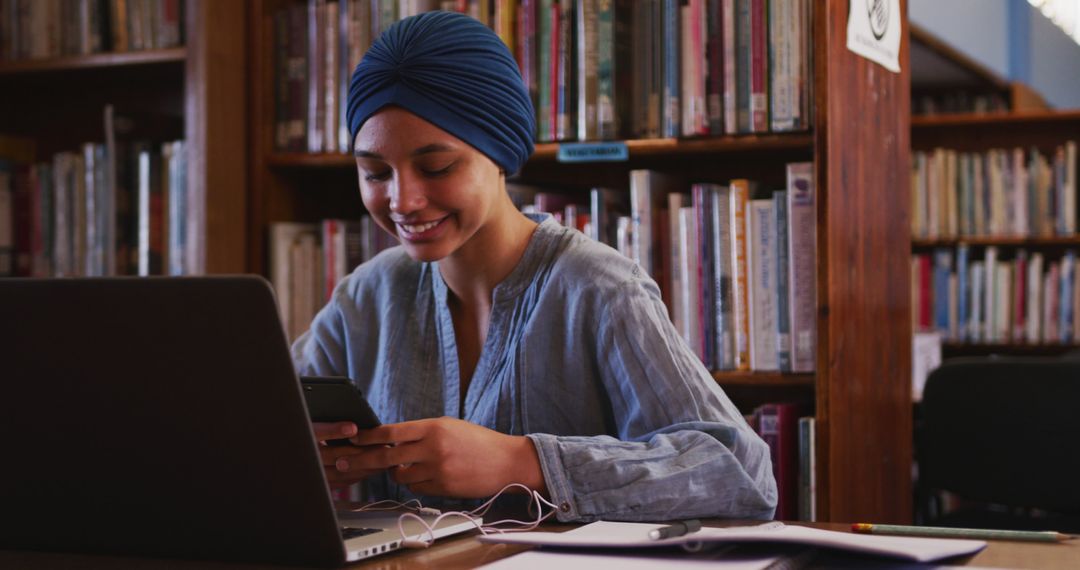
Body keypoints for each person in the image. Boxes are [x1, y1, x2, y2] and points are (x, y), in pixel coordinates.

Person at [291, 10, 776, 522]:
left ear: (498, 153)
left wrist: (524, 461)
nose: (403, 200)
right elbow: (258, 424)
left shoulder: (599, 289)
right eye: (374, 172)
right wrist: (305, 452)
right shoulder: (366, 296)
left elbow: (743, 473)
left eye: (436, 167)